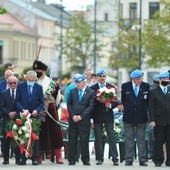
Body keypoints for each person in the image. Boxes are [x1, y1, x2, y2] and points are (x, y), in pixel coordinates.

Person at [32, 60, 64, 164]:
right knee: (40, 132)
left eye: (39, 70)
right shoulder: (33, 82)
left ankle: (58, 155)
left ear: (44, 71)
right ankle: (39, 155)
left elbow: (58, 98)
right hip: (37, 109)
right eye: (35, 70)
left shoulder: (52, 83)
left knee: (54, 131)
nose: (37, 72)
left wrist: (54, 105)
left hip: (50, 109)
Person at [90, 69, 119, 166]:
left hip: (108, 116)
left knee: (111, 137)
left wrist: (109, 105)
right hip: (97, 116)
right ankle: (99, 158)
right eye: (100, 76)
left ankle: (115, 158)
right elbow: (91, 104)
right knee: (98, 137)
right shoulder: (92, 88)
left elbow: (115, 102)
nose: (102, 78)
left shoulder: (111, 87)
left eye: (103, 76)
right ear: (97, 77)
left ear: (105, 77)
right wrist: (91, 119)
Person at [121, 69, 150, 166]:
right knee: (129, 139)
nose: (140, 80)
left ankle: (142, 159)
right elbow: (123, 100)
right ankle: (129, 159)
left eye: (141, 78)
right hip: (129, 116)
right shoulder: (125, 86)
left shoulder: (146, 86)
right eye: (138, 79)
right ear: (133, 79)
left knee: (141, 138)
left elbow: (147, 101)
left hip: (141, 116)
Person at [15, 70, 44, 165]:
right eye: (29, 80)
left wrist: (37, 110)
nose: (31, 81)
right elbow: (17, 101)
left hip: (34, 116)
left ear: (35, 79)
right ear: (26, 78)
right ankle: (22, 157)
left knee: (35, 137)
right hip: (23, 115)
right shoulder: (20, 86)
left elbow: (41, 103)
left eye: (33, 80)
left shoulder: (39, 87)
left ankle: (34, 158)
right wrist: (22, 110)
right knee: (22, 136)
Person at [67, 74, 95, 165]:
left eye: (79, 83)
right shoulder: (72, 91)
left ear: (84, 83)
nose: (77, 85)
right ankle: (72, 159)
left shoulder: (90, 92)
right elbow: (69, 104)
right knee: (72, 140)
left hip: (84, 120)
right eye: (76, 83)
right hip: (73, 120)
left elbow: (90, 106)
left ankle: (85, 159)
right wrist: (73, 115)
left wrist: (81, 116)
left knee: (84, 140)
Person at [148, 71, 170, 167]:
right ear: (160, 80)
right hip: (158, 120)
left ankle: (169, 160)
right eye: (164, 79)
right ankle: (158, 160)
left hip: (169, 120)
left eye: (167, 79)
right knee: (158, 141)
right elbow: (151, 107)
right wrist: (152, 120)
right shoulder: (153, 92)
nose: (166, 81)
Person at [0, 76, 20, 165]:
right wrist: (9, 113)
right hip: (6, 119)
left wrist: (15, 113)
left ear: (17, 83)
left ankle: (18, 158)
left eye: (14, 83)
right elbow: (1, 106)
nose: (12, 84)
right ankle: (6, 159)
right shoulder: (3, 93)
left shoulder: (20, 93)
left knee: (18, 139)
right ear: (8, 84)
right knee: (5, 140)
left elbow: (22, 104)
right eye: (10, 83)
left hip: (18, 119)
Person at [147, 74, 159, 159]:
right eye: (155, 83)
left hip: (160, 114)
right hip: (150, 114)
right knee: (150, 132)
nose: (156, 84)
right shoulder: (149, 89)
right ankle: (151, 152)